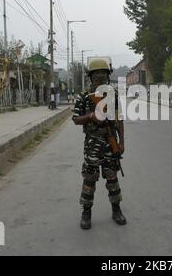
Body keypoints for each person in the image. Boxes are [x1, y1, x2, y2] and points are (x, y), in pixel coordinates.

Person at [72, 58, 126, 230]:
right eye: (97, 73)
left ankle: (116, 210)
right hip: (92, 143)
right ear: (91, 76)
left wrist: (121, 141)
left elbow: (119, 120)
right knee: (90, 178)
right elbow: (75, 119)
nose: (101, 76)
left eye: (104, 73)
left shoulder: (113, 95)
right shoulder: (84, 97)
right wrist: (90, 117)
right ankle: (86, 213)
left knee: (112, 178)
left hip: (111, 143)